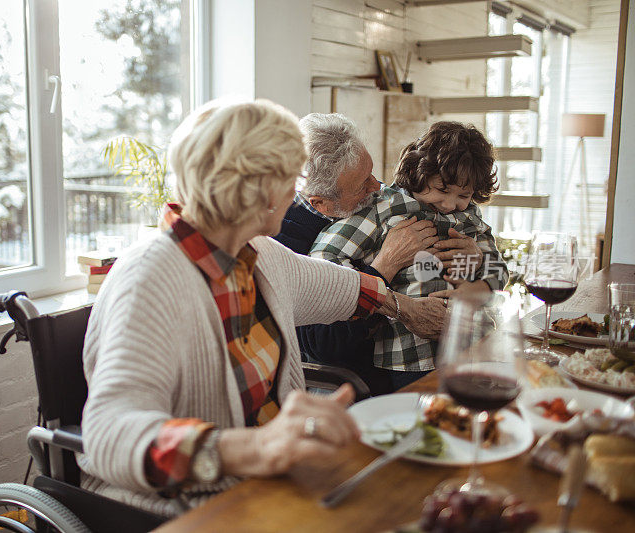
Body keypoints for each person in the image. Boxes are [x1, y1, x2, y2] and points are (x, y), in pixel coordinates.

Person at [78, 99, 447, 516]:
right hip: (184, 506)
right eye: (290, 177)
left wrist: (401, 306)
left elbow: (341, 288)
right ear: (255, 190)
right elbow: (108, 432)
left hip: (271, 483)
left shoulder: (258, 254)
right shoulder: (149, 278)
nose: (298, 193)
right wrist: (254, 448)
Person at [310, 121, 509, 388]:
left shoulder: (470, 215)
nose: (450, 205)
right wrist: (387, 290)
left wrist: (477, 285)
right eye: (441, 190)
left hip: (471, 340)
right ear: (419, 172)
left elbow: (499, 268)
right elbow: (325, 259)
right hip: (409, 354)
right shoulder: (384, 208)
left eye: (464, 194)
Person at [275, 113, 446, 393]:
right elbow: (323, 347)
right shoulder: (285, 243)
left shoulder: (371, 201)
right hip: (360, 383)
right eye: (362, 185)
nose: (377, 186)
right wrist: (386, 265)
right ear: (321, 204)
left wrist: (465, 248)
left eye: (371, 172)